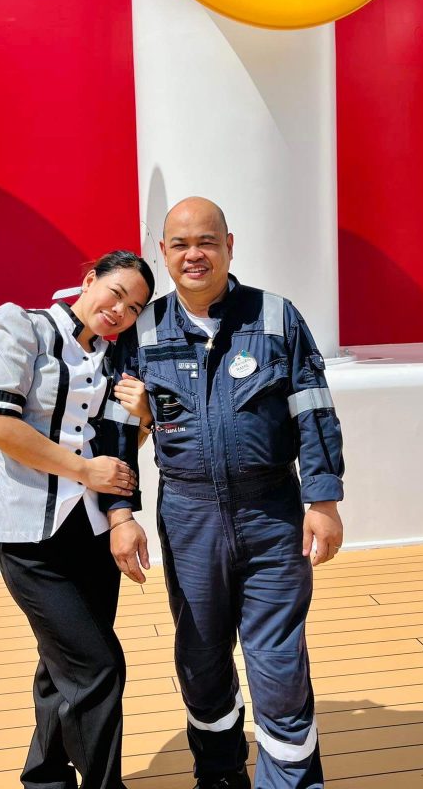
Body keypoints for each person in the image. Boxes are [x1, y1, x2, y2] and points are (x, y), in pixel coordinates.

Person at [101, 198, 344, 789]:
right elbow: (112, 431)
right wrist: (120, 513)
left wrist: (324, 501)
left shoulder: (276, 317)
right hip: (189, 516)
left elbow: (312, 409)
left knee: (279, 662)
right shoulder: (144, 329)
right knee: (201, 658)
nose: (194, 255)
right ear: (163, 253)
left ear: (229, 245)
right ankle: (219, 774)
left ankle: (289, 782)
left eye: (206, 242)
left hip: (273, 513)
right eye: (180, 245)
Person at [0, 251, 155, 789]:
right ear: (89, 280)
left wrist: (144, 422)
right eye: (115, 294)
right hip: (26, 531)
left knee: (61, 665)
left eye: (134, 308)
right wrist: (83, 469)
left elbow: (116, 453)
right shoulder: (24, 327)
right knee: (97, 668)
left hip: (89, 533)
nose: (120, 312)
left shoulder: (117, 360)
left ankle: (45, 779)